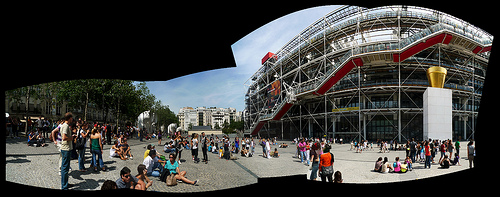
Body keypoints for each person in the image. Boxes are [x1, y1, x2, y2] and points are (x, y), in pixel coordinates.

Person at [60, 112, 75, 190]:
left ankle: (65, 183)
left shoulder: (65, 125)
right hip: (66, 149)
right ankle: (64, 186)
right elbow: (64, 137)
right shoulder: (65, 126)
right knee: (65, 168)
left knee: (65, 167)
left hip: (66, 149)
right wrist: (71, 138)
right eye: (71, 118)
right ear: (69, 118)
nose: (72, 119)